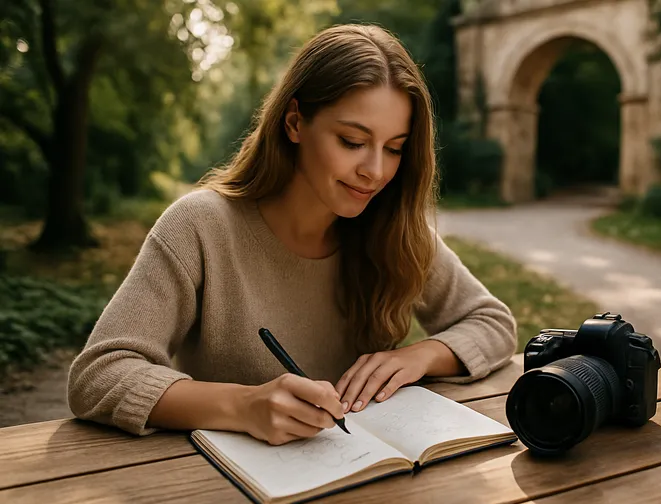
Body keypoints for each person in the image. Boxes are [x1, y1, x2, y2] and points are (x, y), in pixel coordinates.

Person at [67, 23, 517, 446]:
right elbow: (99, 374)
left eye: (394, 148)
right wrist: (243, 406)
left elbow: (493, 324)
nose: (375, 171)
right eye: (352, 141)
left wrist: (420, 356)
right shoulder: (200, 226)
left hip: (369, 481)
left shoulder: (392, 227)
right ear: (295, 122)